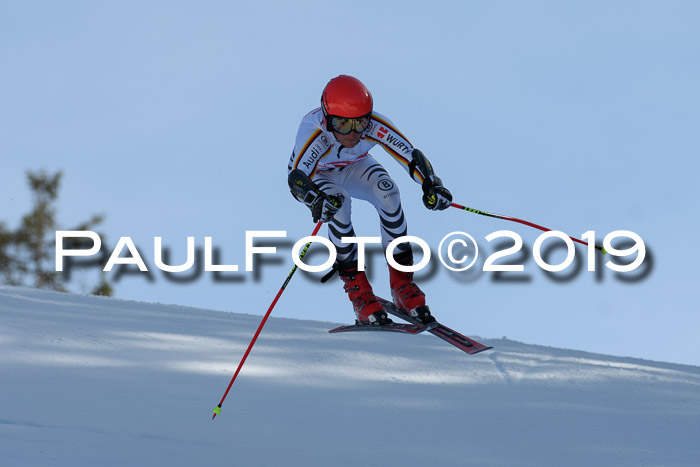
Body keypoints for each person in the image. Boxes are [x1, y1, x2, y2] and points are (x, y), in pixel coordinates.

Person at [287, 75, 452, 326]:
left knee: (389, 193)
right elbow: (297, 179)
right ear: (327, 117)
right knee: (339, 204)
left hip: (354, 166)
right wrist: (316, 201)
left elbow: (409, 155)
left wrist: (431, 184)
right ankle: (358, 291)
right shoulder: (315, 133)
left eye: (360, 123)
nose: (352, 133)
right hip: (319, 174)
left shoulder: (375, 125)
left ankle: (402, 284)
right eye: (342, 125)